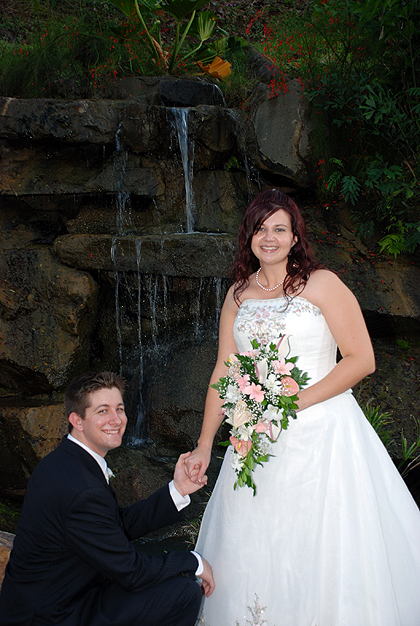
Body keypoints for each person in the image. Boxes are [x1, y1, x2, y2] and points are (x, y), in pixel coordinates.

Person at [185, 189, 420, 626]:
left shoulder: (323, 283)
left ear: (295, 237)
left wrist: (288, 404)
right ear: (249, 236)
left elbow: (361, 359)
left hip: (323, 434)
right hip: (255, 438)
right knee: (257, 541)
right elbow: (224, 368)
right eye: (260, 228)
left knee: (322, 543)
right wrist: (203, 444)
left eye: (279, 228)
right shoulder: (238, 293)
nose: (268, 237)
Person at [0, 371, 214, 626]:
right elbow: (131, 571)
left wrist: (177, 490)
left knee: (173, 583)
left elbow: (114, 526)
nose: (117, 419)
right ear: (77, 420)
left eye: (120, 409)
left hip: (63, 593)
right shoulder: (81, 488)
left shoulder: (63, 461)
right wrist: (193, 562)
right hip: (54, 614)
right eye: (103, 411)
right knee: (183, 592)